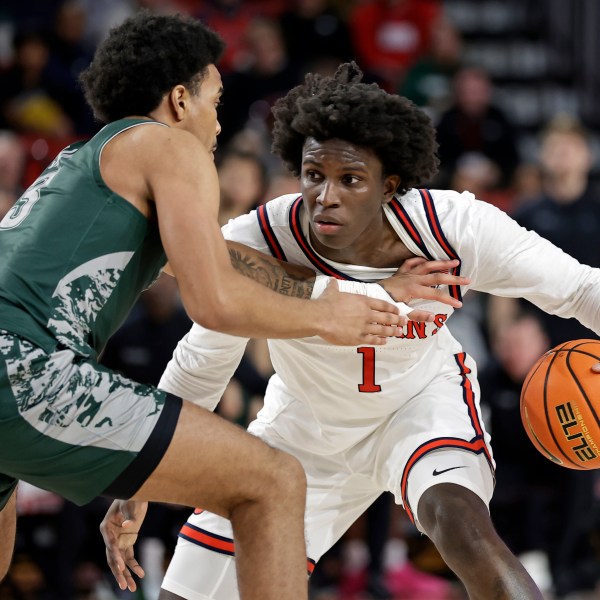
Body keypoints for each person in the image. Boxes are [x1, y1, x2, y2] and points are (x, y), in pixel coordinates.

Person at [95, 61, 600, 600]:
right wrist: (141, 477)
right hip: (301, 427)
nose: (325, 195)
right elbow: (202, 362)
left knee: (460, 525)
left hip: (419, 406)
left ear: (391, 185)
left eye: (351, 179)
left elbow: (577, 289)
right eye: (314, 174)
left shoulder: (454, 227)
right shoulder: (260, 240)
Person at [0, 14, 418, 600]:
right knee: (272, 482)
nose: (219, 123)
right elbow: (213, 299)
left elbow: (225, 261)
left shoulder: (90, 160)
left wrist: (344, 288)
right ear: (178, 100)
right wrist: (328, 318)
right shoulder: (169, 146)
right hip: (22, 367)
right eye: (215, 101)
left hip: (12, 375)